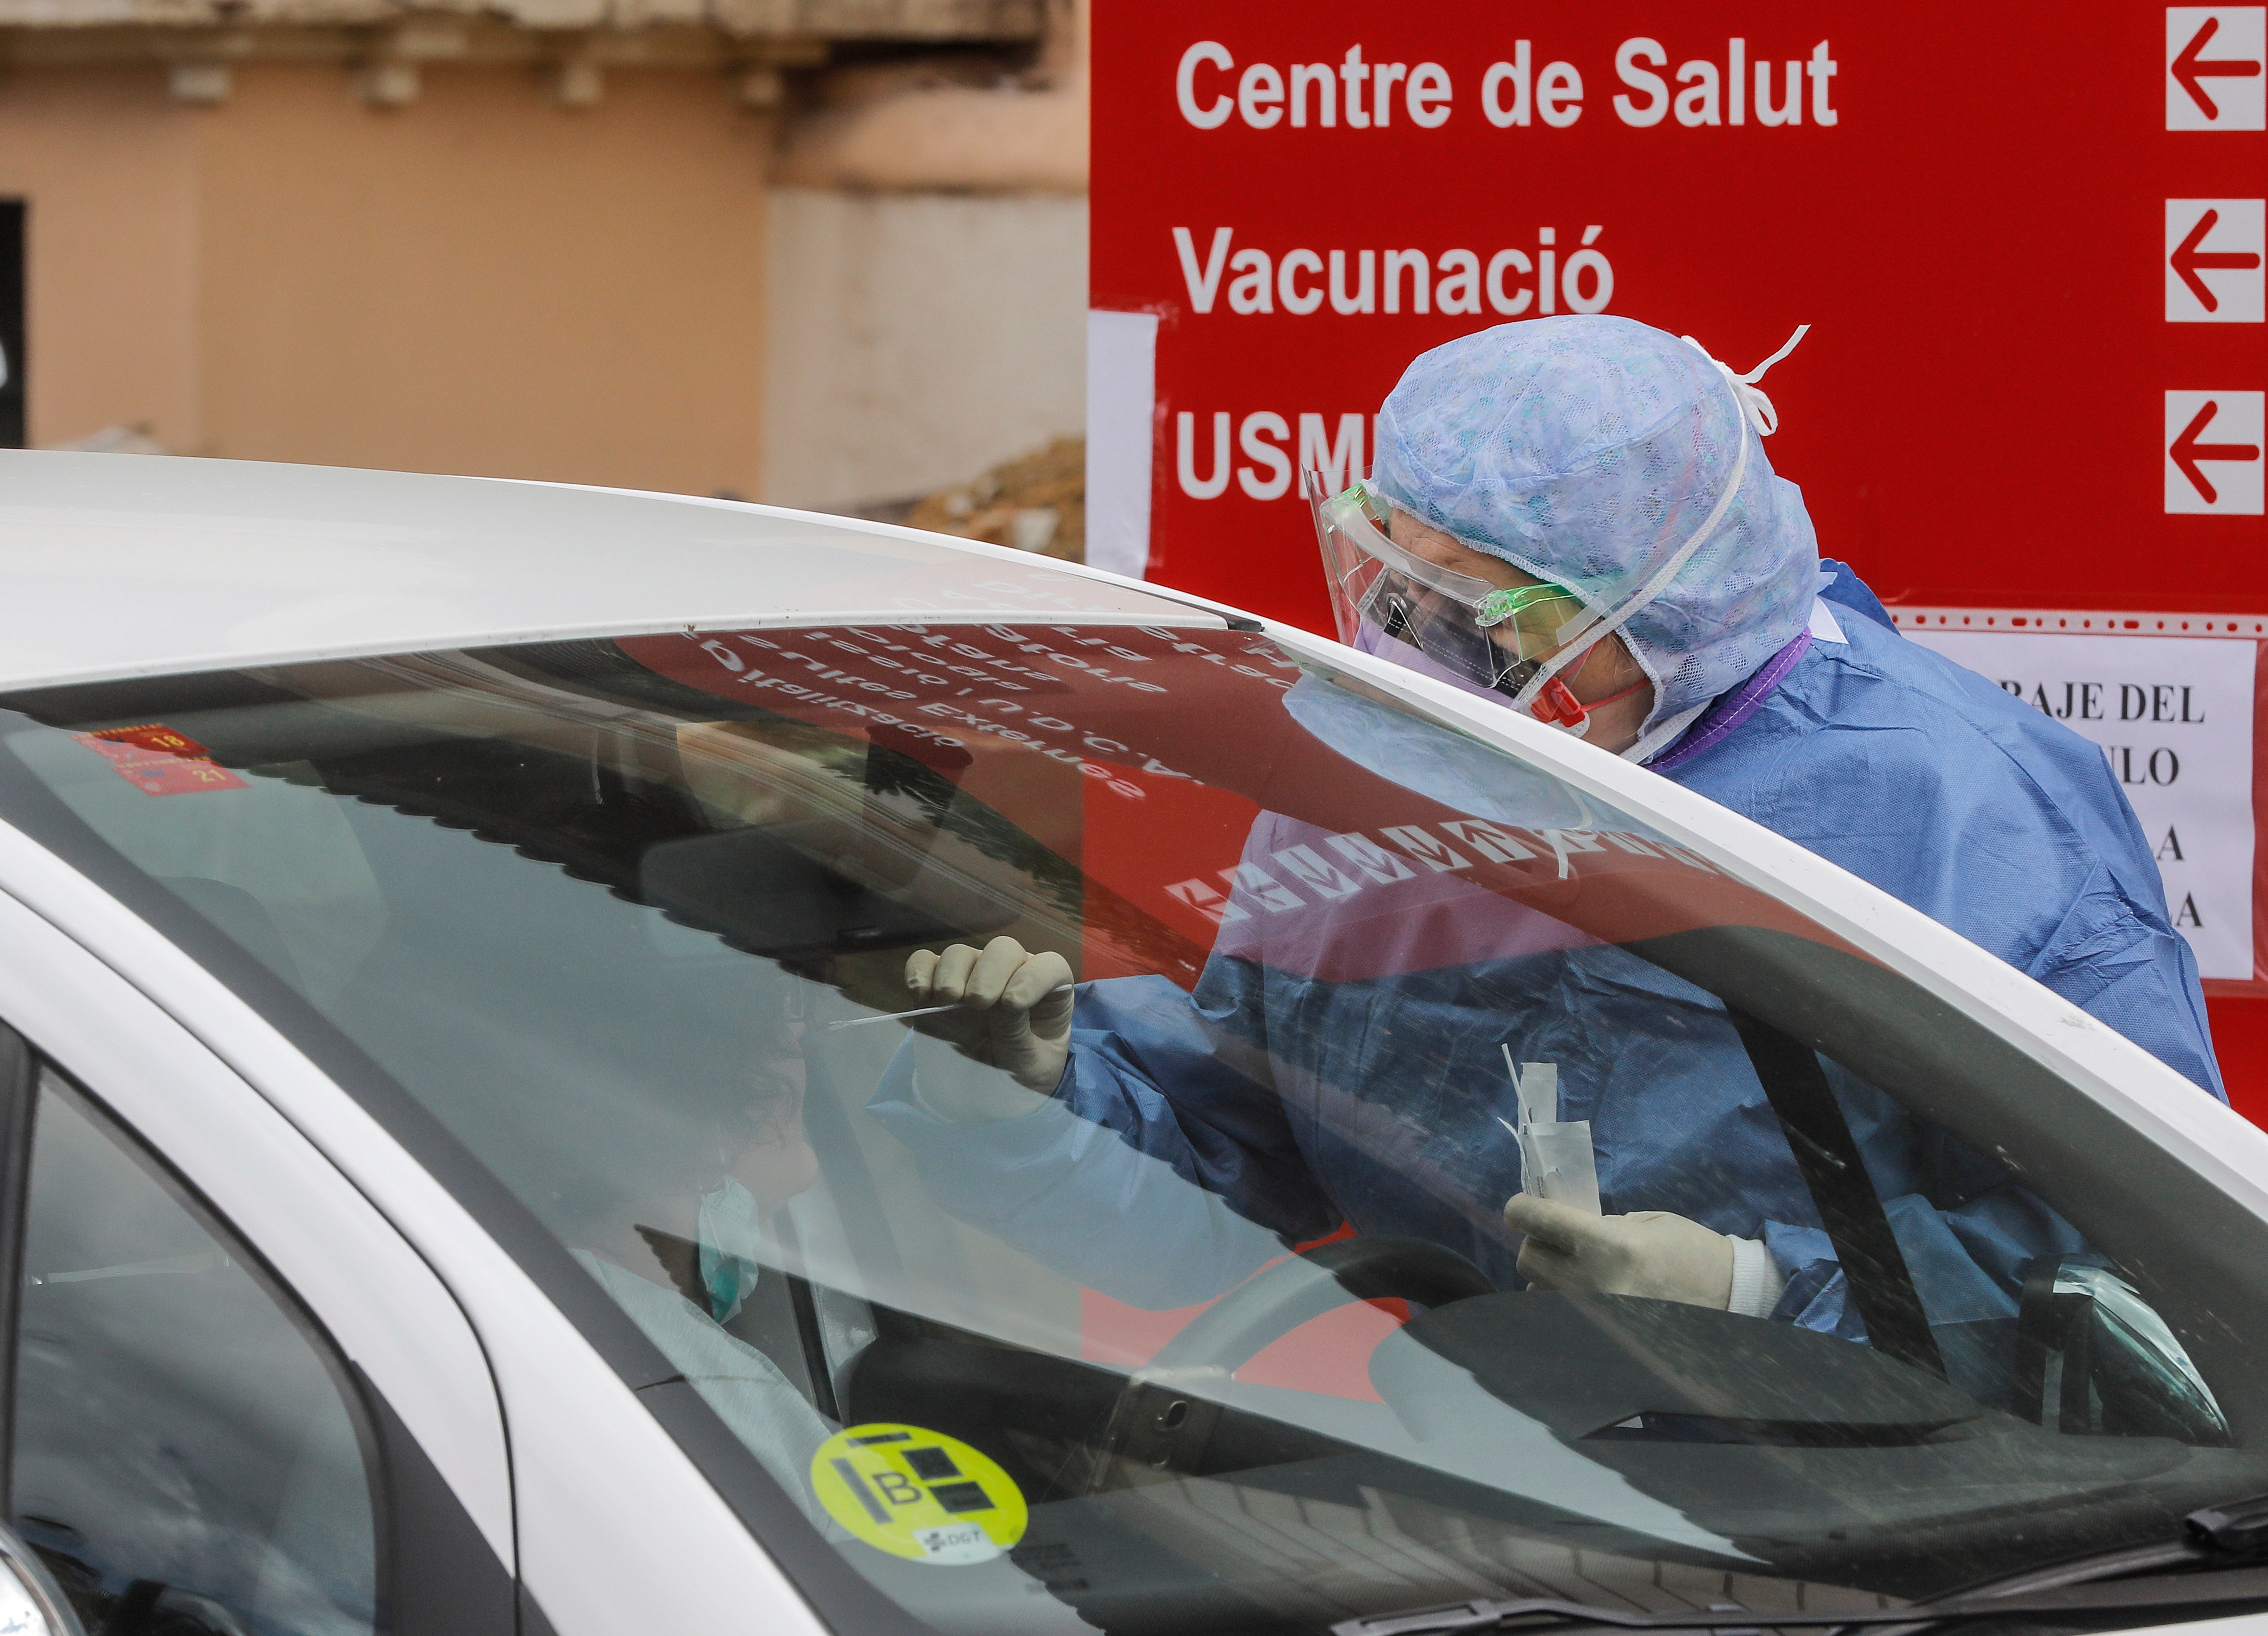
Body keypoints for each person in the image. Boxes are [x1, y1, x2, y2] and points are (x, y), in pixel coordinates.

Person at [881, 314, 2220, 1341]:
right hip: (1511, 1497)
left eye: (1485, 613)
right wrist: (1027, 1101)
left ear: (1671, 593)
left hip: (1912, 1528)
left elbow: (2146, 1266)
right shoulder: (1386, 762)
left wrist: (1762, 1295)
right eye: (1396, 582)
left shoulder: (1957, 807)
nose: (1422, 652)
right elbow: (1234, 1150)